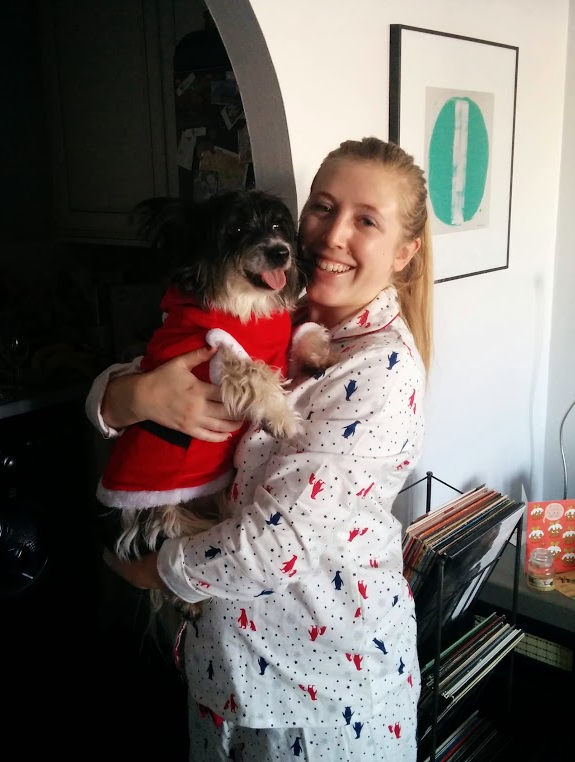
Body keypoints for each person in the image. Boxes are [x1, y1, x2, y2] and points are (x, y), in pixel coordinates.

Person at [86, 136, 433, 761]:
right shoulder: (270, 304)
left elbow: (278, 544)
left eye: (366, 221)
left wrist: (151, 571)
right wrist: (128, 397)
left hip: (321, 691)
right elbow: (159, 363)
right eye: (323, 208)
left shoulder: (381, 370)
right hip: (224, 668)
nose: (332, 235)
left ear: (405, 251)